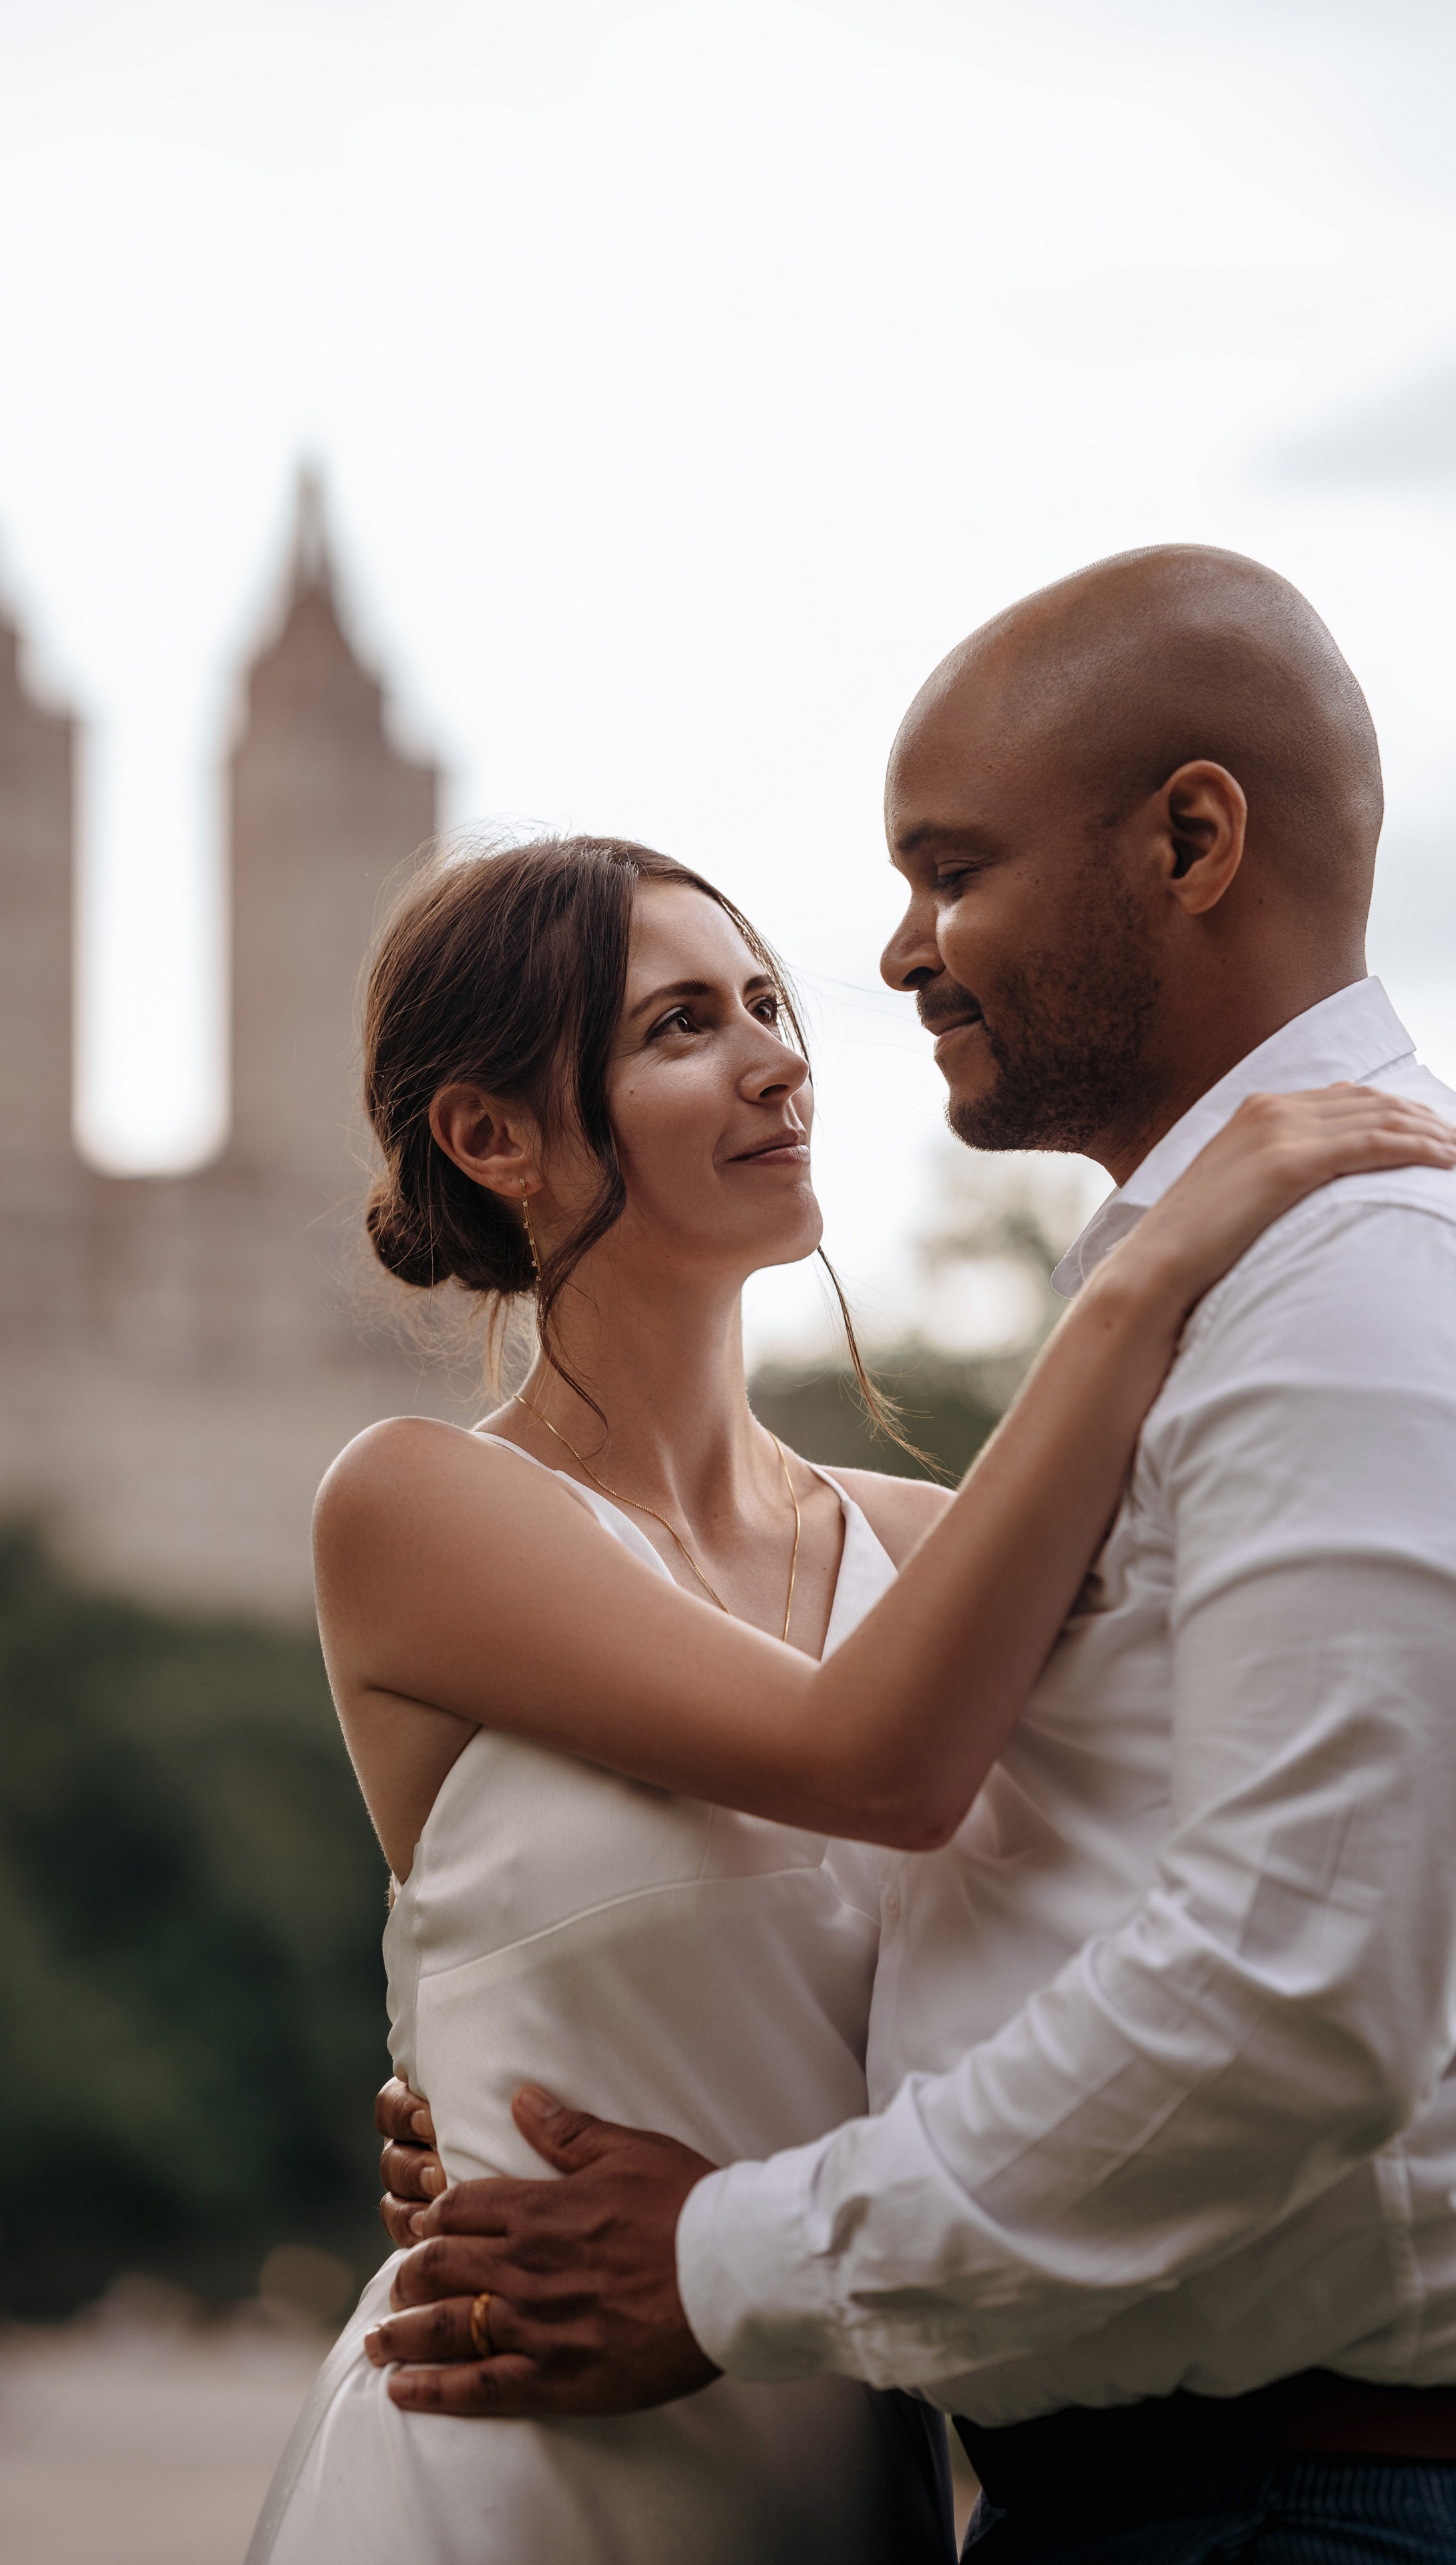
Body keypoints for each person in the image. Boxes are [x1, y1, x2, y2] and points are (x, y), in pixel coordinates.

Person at [365, 549, 1456, 2564]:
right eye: (686, 1024)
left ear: (1196, 837)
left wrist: (719, 2246)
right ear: (491, 1138)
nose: (818, 1024)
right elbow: (921, 1826)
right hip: (561, 2405)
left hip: (839, 2404)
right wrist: (481, 2080)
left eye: (943, 878)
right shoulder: (419, 1502)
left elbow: (1250, 1937)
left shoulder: (974, 1523)